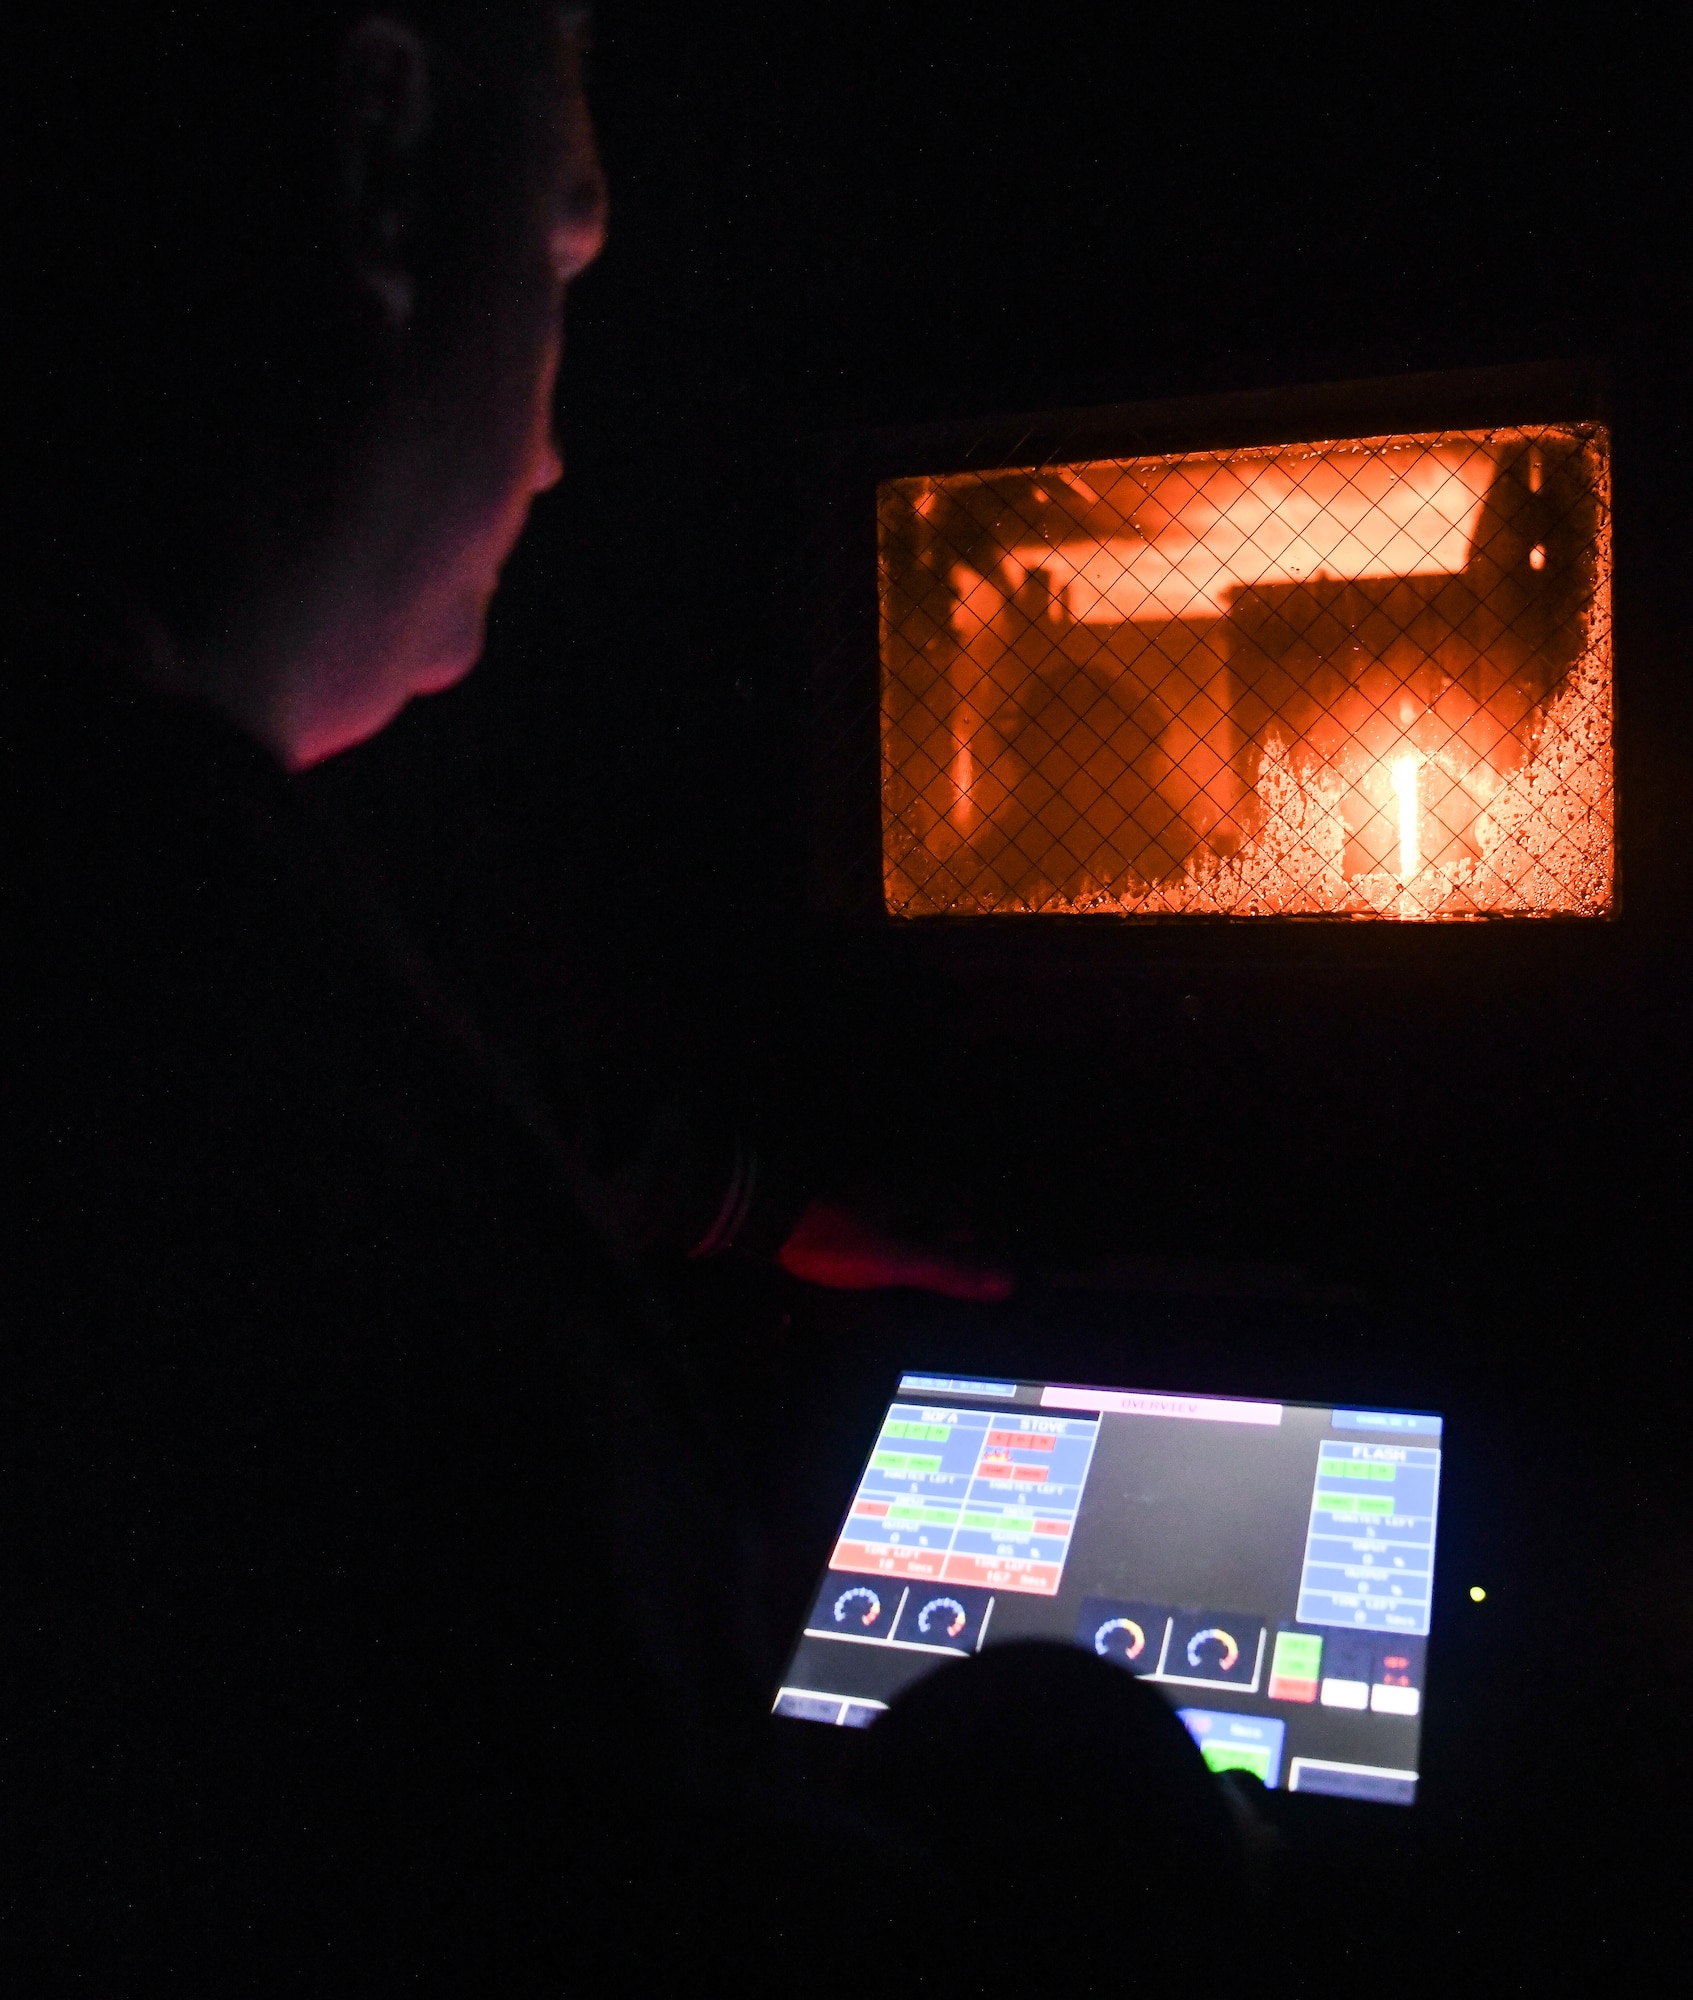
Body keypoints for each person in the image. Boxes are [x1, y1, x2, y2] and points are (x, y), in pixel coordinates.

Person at [6, 7, 1240, 1988]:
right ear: (382, 167)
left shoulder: (171, 899)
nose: (563, 441)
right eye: (567, 244)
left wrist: (757, 1210)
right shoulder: (200, 1034)